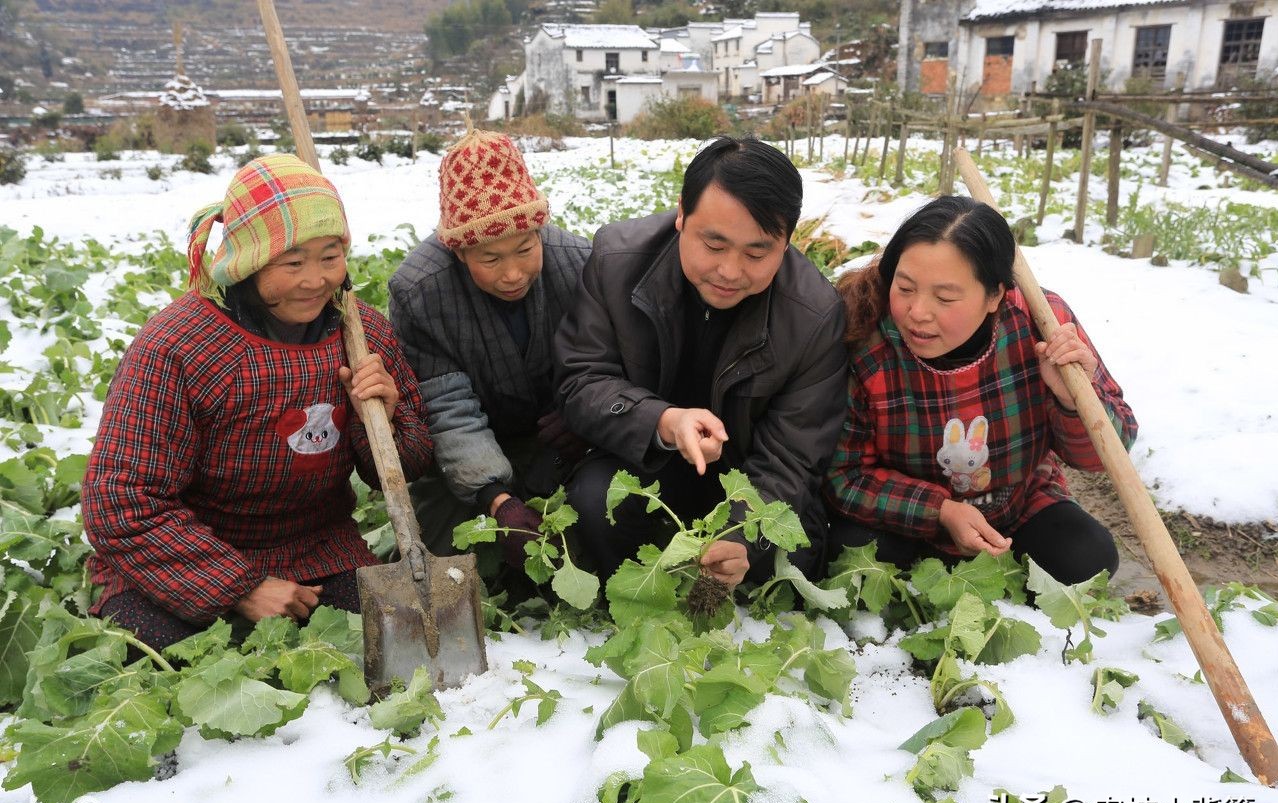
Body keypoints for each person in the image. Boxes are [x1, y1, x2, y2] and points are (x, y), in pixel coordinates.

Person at [82, 153, 434, 651]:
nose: (315, 280)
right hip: (191, 549)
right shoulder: (181, 347)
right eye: (293, 262)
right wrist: (241, 588)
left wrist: (384, 414)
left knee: (381, 643)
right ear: (249, 263)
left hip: (316, 549)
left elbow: (410, 465)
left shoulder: (361, 333)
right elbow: (120, 499)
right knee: (183, 659)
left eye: (330, 257)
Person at [555, 136, 848, 587]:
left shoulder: (813, 314)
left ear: (786, 241)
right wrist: (664, 421)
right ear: (681, 216)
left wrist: (743, 537)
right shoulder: (616, 261)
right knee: (596, 500)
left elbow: (792, 456)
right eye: (714, 245)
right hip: (646, 461)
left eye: (757, 252)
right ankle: (634, 600)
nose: (730, 271)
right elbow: (582, 381)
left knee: (785, 551)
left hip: (747, 479)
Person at [824, 195, 1138, 584]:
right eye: (904, 288)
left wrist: (1073, 399)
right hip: (906, 521)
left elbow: (1111, 450)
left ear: (994, 296)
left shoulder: (1042, 321)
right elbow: (845, 477)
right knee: (852, 557)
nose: (918, 312)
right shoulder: (867, 340)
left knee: (1087, 558)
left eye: (945, 297)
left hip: (1015, 509)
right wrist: (940, 510)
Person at [388, 128, 591, 581]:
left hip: (562, 438)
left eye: (525, 249)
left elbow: (606, 364)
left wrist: (584, 415)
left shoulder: (579, 263)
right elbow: (446, 408)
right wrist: (496, 498)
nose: (513, 273)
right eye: (490, 259)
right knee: (446, 562)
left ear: (540, 230)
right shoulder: (420, 291)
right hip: (462, 451)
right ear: (458, 251)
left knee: (590, 531)